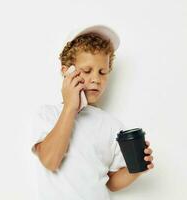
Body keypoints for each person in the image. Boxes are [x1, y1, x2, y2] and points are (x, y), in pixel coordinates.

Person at [30, 24, 154, 200]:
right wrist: (70, 107)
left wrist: (137, 168)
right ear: (67, 72)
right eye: (87, 71)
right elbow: (50, 161)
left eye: (103, 72)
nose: (96, 79)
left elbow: (111, 182)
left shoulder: (111, 125)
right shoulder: (47, 115)